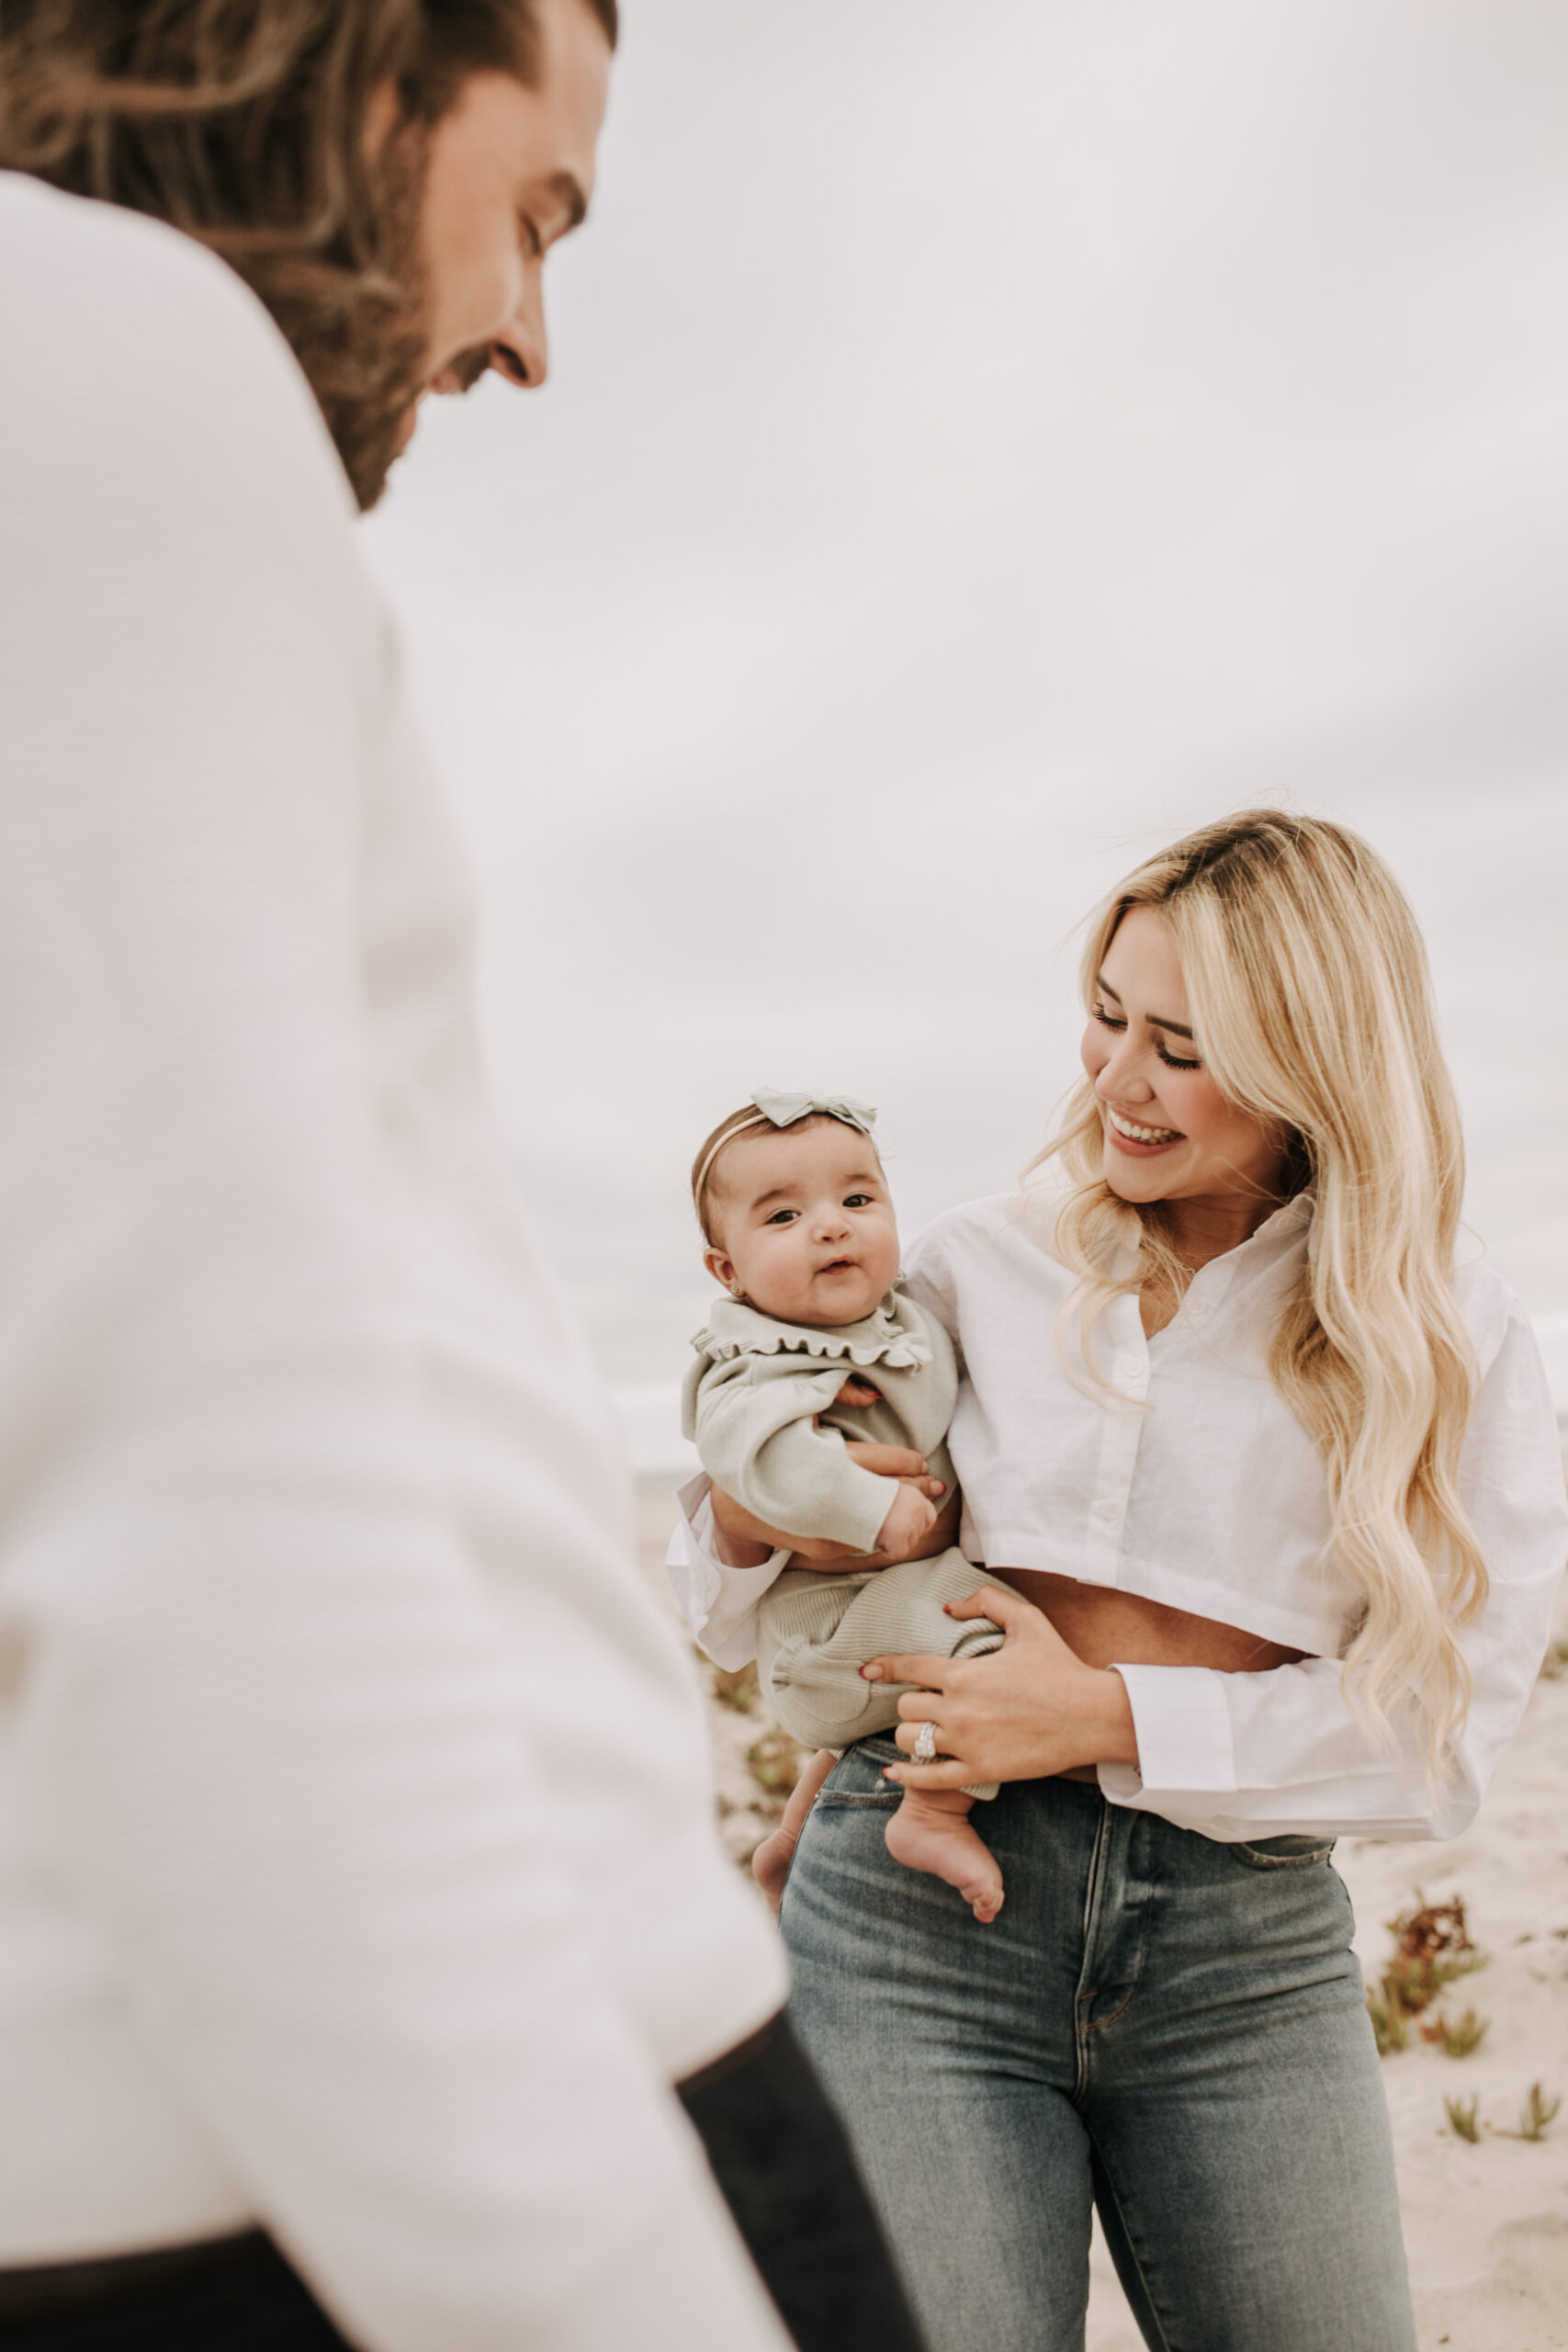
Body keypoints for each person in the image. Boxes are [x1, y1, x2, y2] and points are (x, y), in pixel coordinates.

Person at [0, 6, 922, 2348]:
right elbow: (204, 1521)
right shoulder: (101, 339)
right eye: (537, 206)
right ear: (349, 48)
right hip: (434, 2112)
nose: (523, 332)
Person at [671, 809, 1568, 2352]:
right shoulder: (968, 1263)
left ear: (1312, 1063)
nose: (1114, 1082)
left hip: (1242, 1954)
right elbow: (723, 1594)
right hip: (905, 1927)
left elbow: (1439, 1743)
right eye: (1102, 1019)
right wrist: (767, 1526)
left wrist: (1099, 1715)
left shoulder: (1442, 1334)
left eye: (1178, 1045)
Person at [681, 1089, 1004, 1922]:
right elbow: (758, 1455)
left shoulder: (903, 1322)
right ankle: (934, 1811)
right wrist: (864, 1505)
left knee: (944, 1642)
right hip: (824, 1625)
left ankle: (796, 1828)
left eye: (857, 1200)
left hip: (865, 1623)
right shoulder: (753, 1360)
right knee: (993, 1641)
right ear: (729, 1271)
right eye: (783, 1216)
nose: (831, 1225)